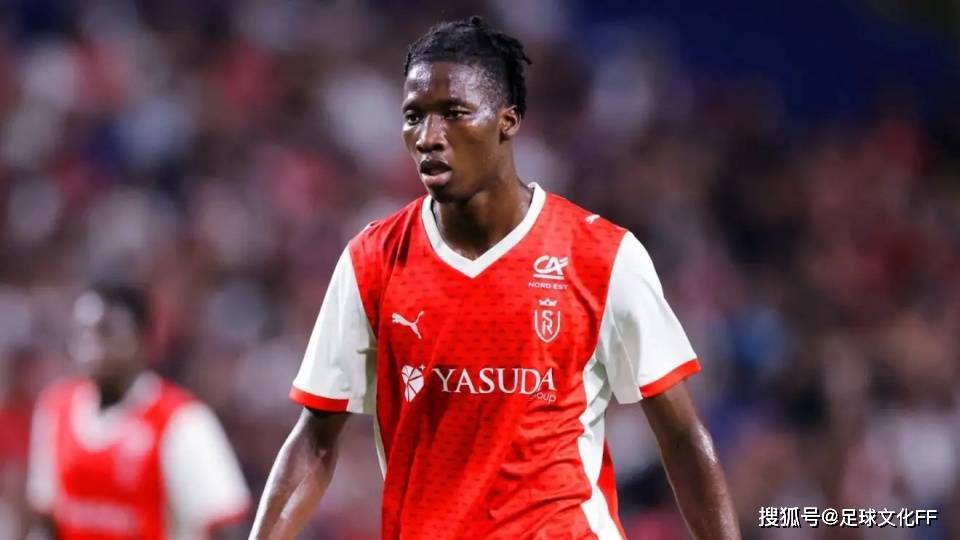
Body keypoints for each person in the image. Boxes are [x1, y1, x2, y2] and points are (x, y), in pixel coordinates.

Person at [251, 16, 740, 540]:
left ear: (508, 121)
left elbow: (682, 436)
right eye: (414, 116)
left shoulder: (601, 254)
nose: (428, 137)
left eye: (454, 113)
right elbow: (316, 439)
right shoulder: (372, 260)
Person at [25, 284, 251, 540]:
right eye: (82, 335)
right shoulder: (55, 409)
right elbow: (47, 520)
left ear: (143, 339)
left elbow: (225, 527)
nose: (89, 348)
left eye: (105, 332)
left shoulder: (183, 421)